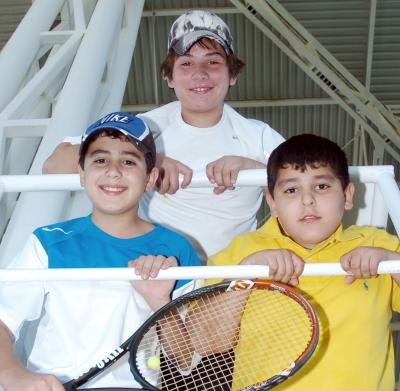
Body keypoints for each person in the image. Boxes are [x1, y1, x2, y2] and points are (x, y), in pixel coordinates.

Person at [42, 10, 284, 261]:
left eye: (213, 62)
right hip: (157, 273)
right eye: (186, 63)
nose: (200, 73)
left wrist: (254, 169)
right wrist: (143, 158)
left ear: (232, 74)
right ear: (169, 77)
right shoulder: (142, 128)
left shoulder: (257, 135)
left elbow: (308, 183)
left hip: (231, 279)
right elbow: (54, 165)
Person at [0, 112, 202, 390]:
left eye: (129, 161)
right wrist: (11, 374)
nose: (114, 171)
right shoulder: (47, 242)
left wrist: (159, 301)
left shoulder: (176, 250)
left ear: (150, 177)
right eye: (100, 160)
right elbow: (2, 321)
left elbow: (185, 360)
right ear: (82, 174)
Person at [207, 134, 400, 390]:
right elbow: (206, 343)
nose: (307, 200)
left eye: (321, 186)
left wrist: (390, 262)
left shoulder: (380, 245)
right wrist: (246, 273)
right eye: (291, 190)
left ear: (348, 194)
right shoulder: (239, 253)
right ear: (272, 203)